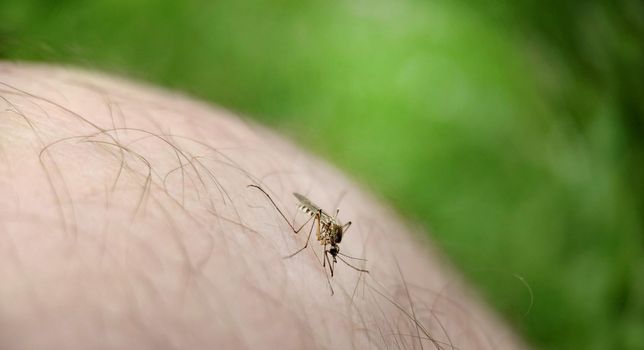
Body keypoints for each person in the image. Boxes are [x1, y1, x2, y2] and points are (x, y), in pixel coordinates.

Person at [0, 62, 525, 349]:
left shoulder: (332, 233)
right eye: (330, 245)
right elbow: (322, 220)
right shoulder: (321, 223)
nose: (330, 249)